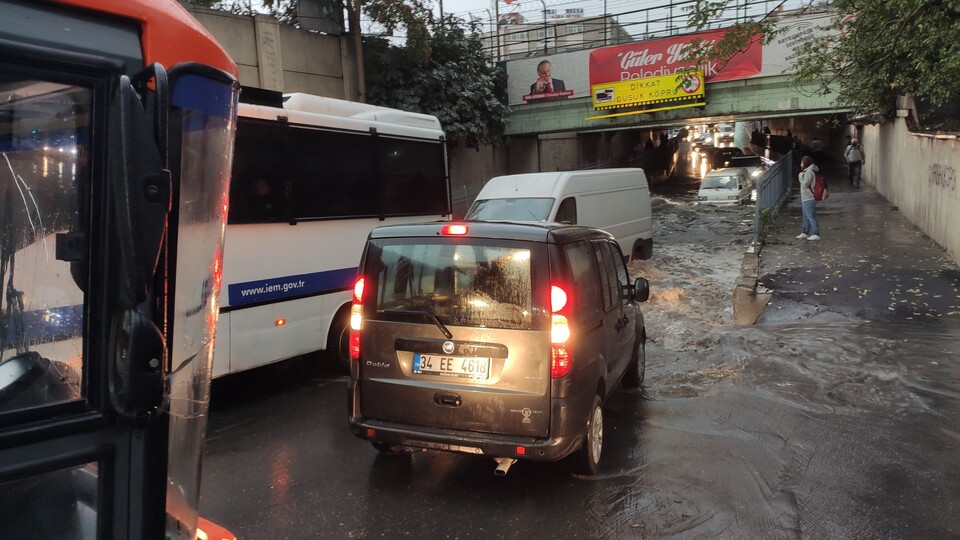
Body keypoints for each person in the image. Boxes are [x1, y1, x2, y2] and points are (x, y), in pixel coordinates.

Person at [797, 155, 821, 241]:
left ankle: (815, 233)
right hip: (806, 197)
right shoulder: (810, 170)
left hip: (809, 197)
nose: (800, 164)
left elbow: (805, 184)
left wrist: (800, 176)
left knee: (811, 216)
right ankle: (805, 232)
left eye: (801, 163)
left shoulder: (809, 171)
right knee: (805, 216)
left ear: (805, 163)